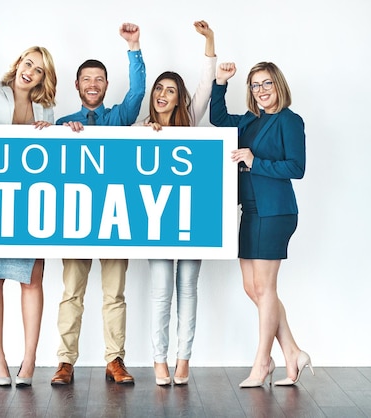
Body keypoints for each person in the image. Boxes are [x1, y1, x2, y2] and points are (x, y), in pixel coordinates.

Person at [0, 17, 57, 388]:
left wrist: (56, 134)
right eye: (27, 62)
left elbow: (56, 152)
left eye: (39, 68)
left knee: (32, 280)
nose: (30, 71)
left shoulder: (47, 109)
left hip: (31, 204)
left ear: (43, 78)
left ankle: (29, 360)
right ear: (18, 64)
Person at [50, 22, 146, 386]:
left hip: (114, 219)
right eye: (86, 79)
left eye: (99, 79)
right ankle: (65, 362)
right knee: (71, 292)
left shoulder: (119, 119)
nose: (93, 84)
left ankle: (115, 360)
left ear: (106, 86)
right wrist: (54, 133)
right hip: (76, 220)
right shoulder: (63, 123)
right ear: (77, 86)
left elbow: (138, 91)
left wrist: (133, 47)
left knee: (114, 294)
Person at [210, 61, 312, 387]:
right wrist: (221, 83)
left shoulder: (289, 120)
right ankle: (293, 352)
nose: (261, 91)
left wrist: (256, 162)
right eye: (255, 85)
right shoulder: (250, 122)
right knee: (253, 288)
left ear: (278, 85)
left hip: (276, 211)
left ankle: (262, 362)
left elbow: (296, 167)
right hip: (250, 211)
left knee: (266, 289)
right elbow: (218, 119)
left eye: (267, 84)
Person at [133, 20, 216, 386]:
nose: (164, 94)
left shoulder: (190, 122)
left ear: (179, 98)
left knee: (188, 288)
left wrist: (210, 42)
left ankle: (184, 359)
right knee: (162, 290)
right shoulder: (138, 128)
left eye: (171, 90)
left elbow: (205, 85)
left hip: (192, 219)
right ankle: (159, 361)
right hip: (157, 221)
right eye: (159, 89)